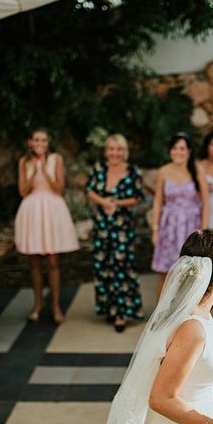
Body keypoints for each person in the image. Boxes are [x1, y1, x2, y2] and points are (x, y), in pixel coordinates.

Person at [90, 229, 213, 424]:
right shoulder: (192, 328)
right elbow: (161, 398)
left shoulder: (195, 313)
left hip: (199, 419)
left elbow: (194, 364)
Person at [15, 128, 79, 324]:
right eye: (37, 140)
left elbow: (59, 188)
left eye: (44, 140)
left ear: (48, 143)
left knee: (52, 261)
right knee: (33, 261)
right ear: (30, 143)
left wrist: (45, 171)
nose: (40, 143)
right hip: (32, 210)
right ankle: (38, 303)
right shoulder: (24, 162)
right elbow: (23, 191)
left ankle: (56, 306)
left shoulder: (56, 159)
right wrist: (34, 171)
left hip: (52, 209)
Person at [86, 134, 145, 333]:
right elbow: (89, 191)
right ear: (106, 151)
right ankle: (109, 308)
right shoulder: (98, 169)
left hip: (122, 228)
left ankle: (122, 313)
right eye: (111, 149)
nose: (115, 153)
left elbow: (138, 197)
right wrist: (104, 202)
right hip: (102, 227)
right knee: (104, 266)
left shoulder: (132, 171)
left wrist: (116, 203)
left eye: (119, 149)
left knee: (122, 267)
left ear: (124, 151)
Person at [151, 133, 210, 297]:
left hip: (191, 226)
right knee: (166, 272)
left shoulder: (197, 170)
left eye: (182, 148)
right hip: (169, 227)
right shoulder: (163, 171)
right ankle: (162, 316)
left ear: (189, 151)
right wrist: (155, 230)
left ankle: (187, 316)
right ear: (170, 151)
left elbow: (206, 202)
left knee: (192, 274)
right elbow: (157, 202)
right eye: (175, 148)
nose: (178, 152)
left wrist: (203, 232)